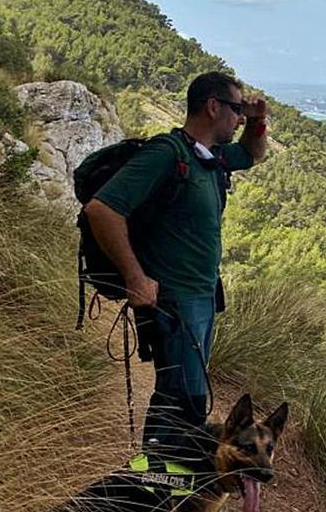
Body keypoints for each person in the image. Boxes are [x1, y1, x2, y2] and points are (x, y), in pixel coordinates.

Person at [83, 71, 267, 455]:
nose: (238, 118)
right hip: (173, 302)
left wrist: (256, 119)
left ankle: (163, 480)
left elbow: (252, 154)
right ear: (212, 106)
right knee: (181, 400)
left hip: (200, 298)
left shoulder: (210, 157)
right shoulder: (168, 154)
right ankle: (156, 482)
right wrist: (136, 278)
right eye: (235, 109)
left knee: (187, 395)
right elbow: (102, 209)